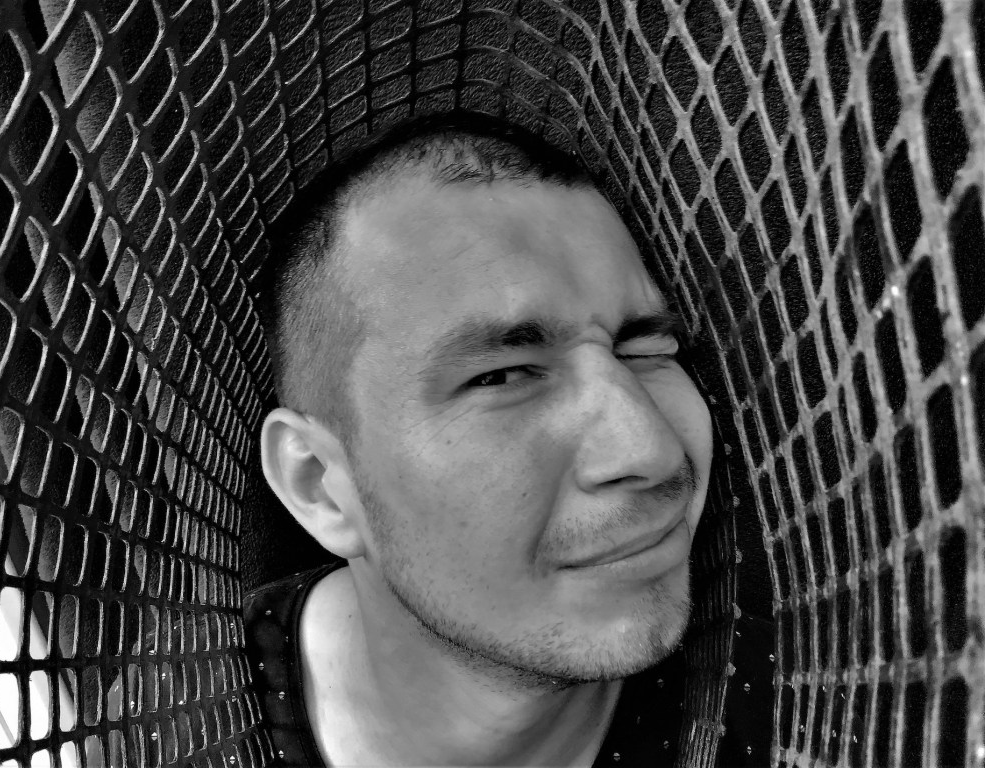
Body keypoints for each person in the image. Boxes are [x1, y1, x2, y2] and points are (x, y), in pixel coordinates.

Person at [248, 112, 773, 767]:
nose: (651, 450)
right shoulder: (168, 715)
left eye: (645, 350)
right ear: (321, 485)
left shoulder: (781, 700)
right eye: (502, 376)